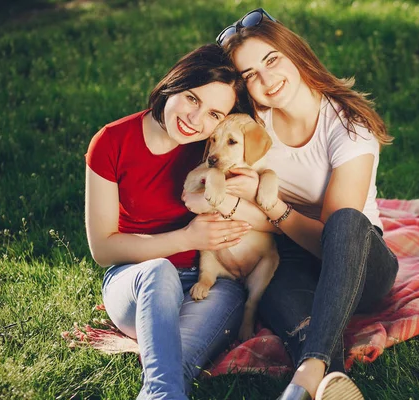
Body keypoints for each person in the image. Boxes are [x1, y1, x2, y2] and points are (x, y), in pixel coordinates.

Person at [214, 9, 399, 400]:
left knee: (346, 220)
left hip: (361, 258)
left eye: (271, 60)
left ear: (294, 52)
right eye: (250, 75)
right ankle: (318, 382)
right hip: (294, 255)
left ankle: (310, 366)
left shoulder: (348, 126)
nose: (266, 80)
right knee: (270, 282)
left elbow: (332, 240)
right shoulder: (253, 126)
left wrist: (272, 207)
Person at [84, 44, 262, 400]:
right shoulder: (111, 141)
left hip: (212, 283)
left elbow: (266, 218)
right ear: (173, 83)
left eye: (214, 114)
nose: (196, 121)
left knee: (173, 365)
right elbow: (103, 248)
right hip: (135, 280)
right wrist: (188, 238)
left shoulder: (213, 151)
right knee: (158, 271)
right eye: (192, 99)